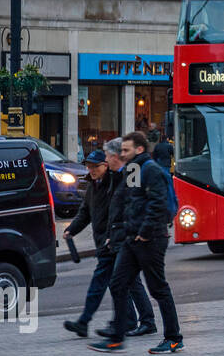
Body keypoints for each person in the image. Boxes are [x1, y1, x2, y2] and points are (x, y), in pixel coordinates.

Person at [88, 131, 183, 354]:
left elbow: (157, 204)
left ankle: (173, 337)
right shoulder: (133, 169)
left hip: (150, 239)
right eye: (121, 151)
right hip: (131, 240)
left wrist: (144, 233)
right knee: (119, 283)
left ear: (139, 149)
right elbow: (127, 202)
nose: (122, 154)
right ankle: (116, 338)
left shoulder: (150, 170)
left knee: (158, 288)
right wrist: (118, 232)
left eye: (126, 150)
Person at [62, 143, 156, 338]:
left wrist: (118, 236)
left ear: (108, 163)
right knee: (125, 283)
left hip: (117, 240)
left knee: (119, 282)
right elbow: (85, 213)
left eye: (96, 166)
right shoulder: (93, 186)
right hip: (108, 242)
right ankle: (141, 321)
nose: (92, 170)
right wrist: (71, 229)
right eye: (89, 166)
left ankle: (126, 322)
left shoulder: (120, 179)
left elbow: (129, 207)